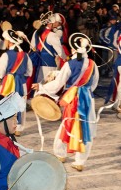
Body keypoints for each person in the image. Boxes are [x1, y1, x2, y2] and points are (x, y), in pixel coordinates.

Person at [35, 34, 99, 172]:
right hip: (87, 98)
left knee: (67, 124)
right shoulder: (93, 65)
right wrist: (85, 91)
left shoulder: (70, 64)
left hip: (72, 98)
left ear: (72, 48)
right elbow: (94, 84)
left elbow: (59, 84)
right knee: (85, 128)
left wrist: (42, 87)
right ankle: (80, 161)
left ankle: (60, 154)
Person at [0, 29, 32, 135]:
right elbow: (29, 72)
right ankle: (18, 128)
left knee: (6, 103)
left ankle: (7, 127)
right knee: (20, 104)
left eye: (5, 40)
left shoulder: (6, 55)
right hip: (21, 82)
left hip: (9, 82)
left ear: (9, 41)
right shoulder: (25, 55)